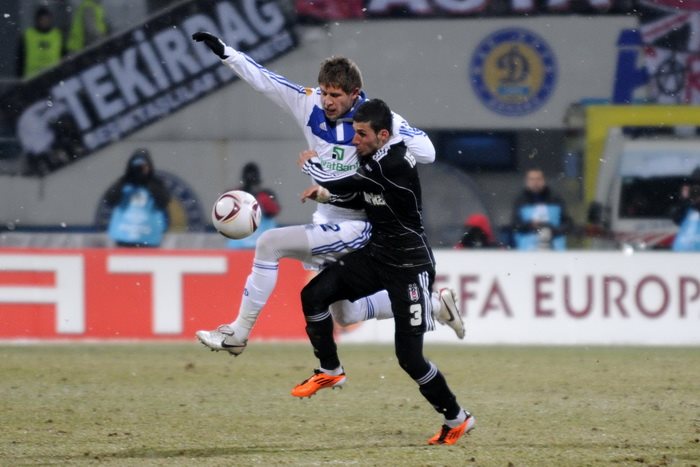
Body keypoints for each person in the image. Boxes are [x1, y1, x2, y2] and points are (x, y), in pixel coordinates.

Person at [191, 31, 465, 355]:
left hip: (359, 225)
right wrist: (226, 53)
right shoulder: (308, 102)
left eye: (335, 94)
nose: (327, 101)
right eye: (324, 92)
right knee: (345, 314)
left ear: (355, 94)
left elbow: (427, 152)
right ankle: (435, 306)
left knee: (268, 243)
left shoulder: (378, 122)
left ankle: (238, 334)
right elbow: (266, 81)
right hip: (326, 219)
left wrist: (389, 142)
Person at [296, 99, 474, 445]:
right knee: (313, 295)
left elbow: (349, 182)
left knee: (410, 359)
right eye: (354, 132)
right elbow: (361, 195)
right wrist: (327, 197)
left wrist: (313, 168)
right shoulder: (373, 158)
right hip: (377, 256)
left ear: (382, 135)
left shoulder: (393, 162)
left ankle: (457, 418)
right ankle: (330, 369)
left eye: (361, 134)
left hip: (410, 267)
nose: (354, 140)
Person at [103, 148, 171, 247]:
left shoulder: (155, 184)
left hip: (148, 238)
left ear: (149, 167)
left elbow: (164, 202)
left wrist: (147, 181)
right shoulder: (123, 183)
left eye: (142, 166)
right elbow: (109, 200)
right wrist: (127, 179)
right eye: (136, 167)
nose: (139, 169)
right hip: (124, 237)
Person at [510, 168, 572, 250]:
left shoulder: (556, 200)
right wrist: (530, 225)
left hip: (555, 248)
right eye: (532, 179)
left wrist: (552, 230)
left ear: (544, 180)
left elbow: (568, 223)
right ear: (526, 181)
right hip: (527, 249)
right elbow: (515, 225)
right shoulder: (520, 201)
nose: (535, 182)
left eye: (538, 179)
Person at [226, 162, 281, 249]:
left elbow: (273, 211)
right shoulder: (236, 194)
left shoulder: (265, 195)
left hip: (261, 245)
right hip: (241, 246)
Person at [17, 7, 64, 79]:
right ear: (37, 20)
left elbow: (63, 57)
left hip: (52, 77)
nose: (45, 22)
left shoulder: (57, 35)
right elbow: (20, 58)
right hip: (31, 77)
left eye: (47, 19)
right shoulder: (28, 35)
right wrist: (20, 76)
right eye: (42, 19)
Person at [670, 167, 700, 251]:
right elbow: (676, 219)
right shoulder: (687, 208)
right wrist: (685, 200)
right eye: (694, 186)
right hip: (683, 251)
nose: (696, 190)